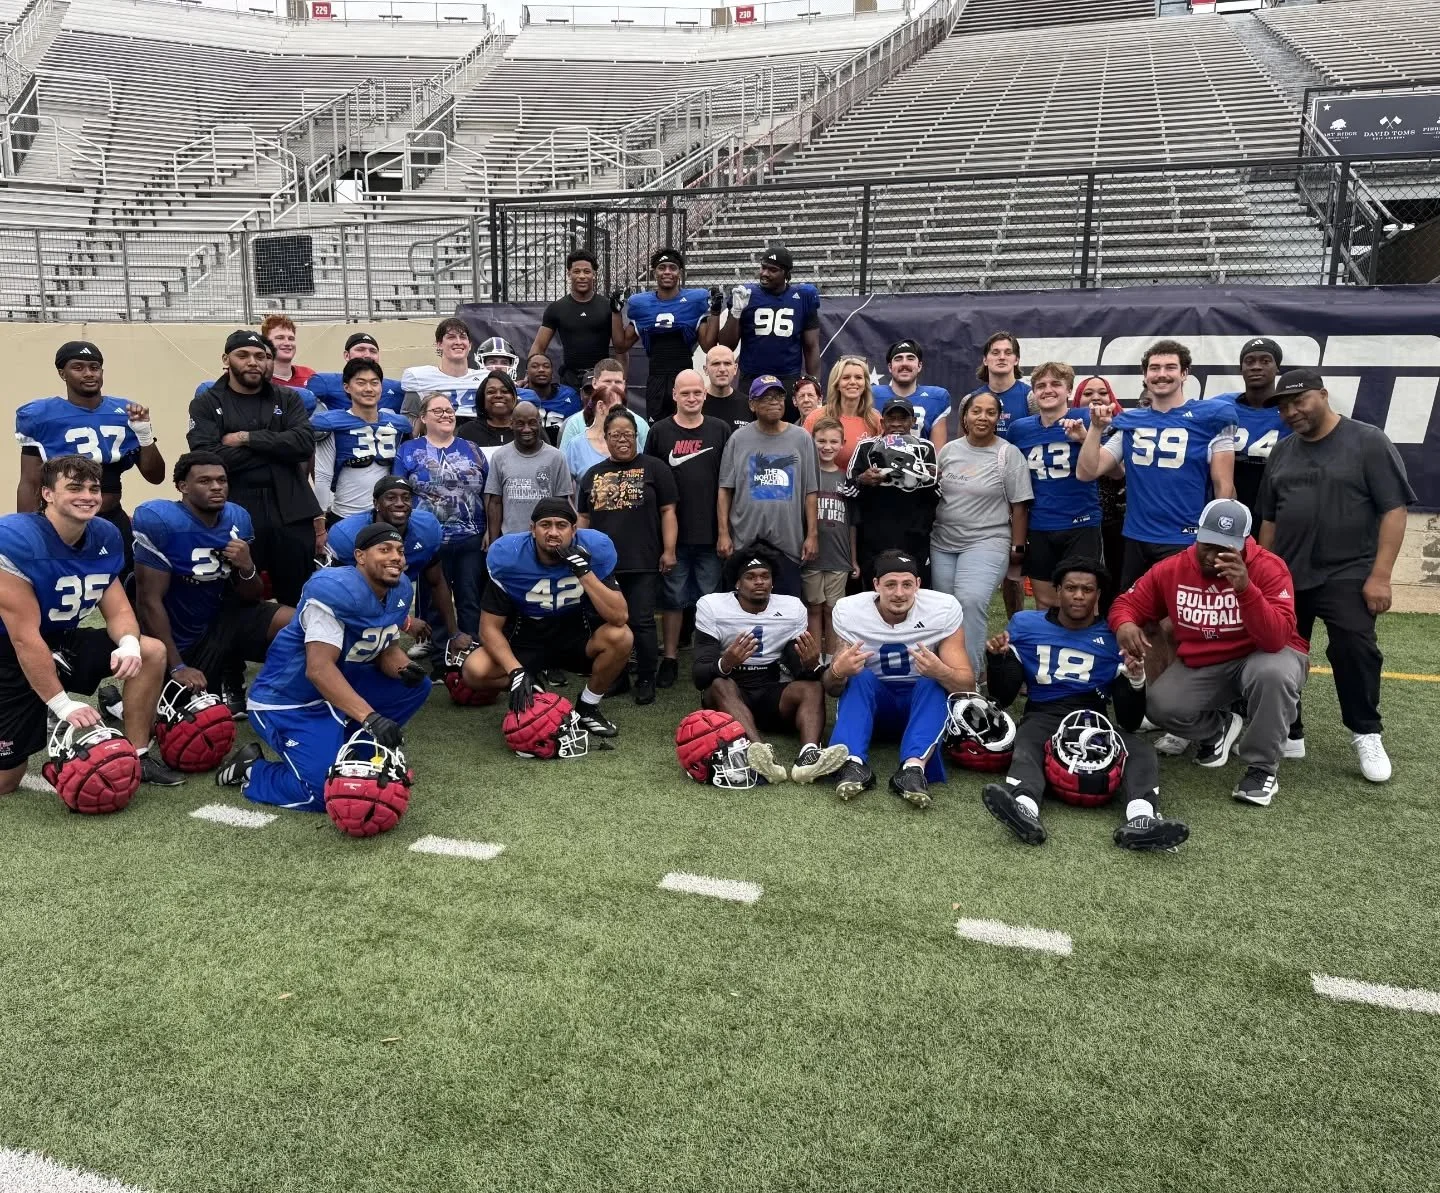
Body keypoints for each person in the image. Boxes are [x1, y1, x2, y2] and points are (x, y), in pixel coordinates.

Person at [1259, 367, 1415, 782]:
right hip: (1287, 574)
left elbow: (1394, 510)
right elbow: (1270, 520)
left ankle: (1366, 731)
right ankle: (1289, 730)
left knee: (1354, 647)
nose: (1291, 411)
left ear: (1324, 395)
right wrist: (1263, 572)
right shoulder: (1282, 451)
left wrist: (1381, 575)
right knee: (1281, 652)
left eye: (1299, 401)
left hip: (1348, 571)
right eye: (1284, 406)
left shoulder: (1368, 441)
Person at [978, 557, 1189, 851]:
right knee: (1027, 742)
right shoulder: (1025, 625)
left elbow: (1129, 720)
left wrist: (1135, 679)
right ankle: (1024, 807)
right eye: (1071, 588)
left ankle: (1142, 818)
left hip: (1094, 718)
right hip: (1043, 713)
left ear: (1098, 594)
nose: (1078, 596)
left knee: (1139, 748)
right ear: (1058, 590)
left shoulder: (1113, 636)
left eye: (1087, 590)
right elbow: (1003, 696)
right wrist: (999, 660)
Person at [0, 455, 182, 793]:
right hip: (8, 650)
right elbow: (24, 639)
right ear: (47, 494)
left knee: (150, 650)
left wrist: (128, 644)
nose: (88, 495)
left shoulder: (104, 534)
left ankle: (137, 753)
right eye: (74, 487)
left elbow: (117, 610)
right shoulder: (15, 538)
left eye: (93, 488)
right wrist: (61, 704)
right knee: (4, 781)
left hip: (58, 639)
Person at [217, 522, 432, 807]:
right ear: (360, 556)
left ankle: (351, 747)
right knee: (324, 793)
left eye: (400, 551)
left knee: (416, 687)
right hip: (290, 701)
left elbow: (385, 647)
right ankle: (253, 769)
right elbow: (318, 669)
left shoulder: (398, 590)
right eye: (385, 549)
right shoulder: (335, 591)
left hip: (338, 686)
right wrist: (370, 717)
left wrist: (403, 668)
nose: (396, 557)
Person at [1110, 498, 1308, 807]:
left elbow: (1275, 639)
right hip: (1206, 659)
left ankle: (1261, 769)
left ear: (1244, 544)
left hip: (1262, 654)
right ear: (1197, 536)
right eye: (1208, 545)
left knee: (1273, 673)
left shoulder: (1268, 567)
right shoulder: (1175, 567)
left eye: (1226, 547)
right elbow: (1127, 603)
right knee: (1161, 705)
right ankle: (1218, 728)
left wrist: (1245, 590)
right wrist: (1124, 625)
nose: (1214, 555)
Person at [132, 452, 293, 714]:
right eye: (205, 481)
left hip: (222, 619)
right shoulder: (161, 520)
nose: (217, 487)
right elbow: (149, 601)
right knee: (196, 725)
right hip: (177, 632)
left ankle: (281, 696)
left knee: (296, 623)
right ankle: (117, 701)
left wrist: (247, 565)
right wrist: (177, 665)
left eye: (222, 480)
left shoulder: (237, 519)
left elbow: (251, 596)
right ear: (183, 487)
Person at [460, 498, 632, 738]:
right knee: (474, 671)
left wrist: (584, 572)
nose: (553, 532)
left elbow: (619, 616)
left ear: (574, 530)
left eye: (561, 525)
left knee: (621, 636)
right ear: (532, 529)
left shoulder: (594, 549)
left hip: (575, 635)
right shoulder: (510, 556)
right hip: (526, 637)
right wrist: (515, 672)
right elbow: (489, 628)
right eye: (545, 525)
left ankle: (588, 706)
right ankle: (531, 681)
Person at [1076, 339, 1236, 591]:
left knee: (1179, 620)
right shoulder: (1131, 421)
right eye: (1154, 367)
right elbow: (1087, 472)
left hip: (1186, 536)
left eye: (1170, 367)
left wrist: (1215, 539)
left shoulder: (1212, 417)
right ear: (1145, 374)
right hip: (1137, 537)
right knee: (1134, 616)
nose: (1162, 374)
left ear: (1184, 373)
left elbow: (1223, 486)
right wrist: (1095, 429)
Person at [823, 549, 973, 807]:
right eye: (890, 584)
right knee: (859, 677)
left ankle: (913, 769)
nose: (899, 593)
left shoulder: (942, 608)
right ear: (876, 585)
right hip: (875, 708)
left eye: (906, 584)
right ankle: (852, 763)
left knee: (932, 682)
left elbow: (967, 685)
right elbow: (832, 687)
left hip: (921, 707)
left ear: (918, 585)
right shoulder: (850, 611)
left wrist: (941, 671)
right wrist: (839, 671)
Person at [187, 329, 321, 607]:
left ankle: (295, 649)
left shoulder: (288, 398)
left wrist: (246, 438)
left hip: (292, 507)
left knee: (298, 596)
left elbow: (305, 444)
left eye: (261, 356)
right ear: (226, 359)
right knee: (234, 592)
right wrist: (277, 448)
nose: (253, 361)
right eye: (243, 355)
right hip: (235, 507)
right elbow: (206, 457)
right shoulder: (207, 403)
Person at [692, 547, 848, 785]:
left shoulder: (791, 608)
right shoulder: (712, 606)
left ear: (773, 582)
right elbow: (699, 676)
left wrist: (810, 665)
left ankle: (809, 755)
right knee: (720, 683)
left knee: (811, 687)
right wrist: (727, 662)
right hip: (730, 694)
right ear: (737, 582)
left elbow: (800, 671)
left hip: (770, 689)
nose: (759, 582)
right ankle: (758, 751)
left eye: (765, 576)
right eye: (751, 577)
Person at [16, 340, 166, 577]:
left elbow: (156, 477)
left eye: (94, 367)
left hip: (112, 518)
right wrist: (27, 530)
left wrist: (144, 434)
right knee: (55, 593)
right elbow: (30, 481)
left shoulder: (124, 412)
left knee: (129, 588)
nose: (88, 373)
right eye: (78, 367)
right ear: (62, 373)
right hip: (61, 521)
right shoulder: (41, 416)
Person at [576, 407, 678, 705]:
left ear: (637, 436)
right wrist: (579, 555)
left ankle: (646, 677)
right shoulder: (592, 474)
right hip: (602, 567)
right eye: (615, 434)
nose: (622, 439)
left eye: (628, 434)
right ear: (605, 438)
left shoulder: (655, 468)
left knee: (642, 621)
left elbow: (668, 511)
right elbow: (583, 517)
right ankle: (616, 677)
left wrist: (669, 550)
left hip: (643, 560)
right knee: (606, 623)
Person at [930, 390, 1033, 682]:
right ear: (965, 416)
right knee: (945, 608)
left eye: (990, 412)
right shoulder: (949, 451)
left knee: (971, 600)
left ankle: (970, 678)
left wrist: (1018, 546)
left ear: (998, 418)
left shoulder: (1007, 454)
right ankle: (943, 673)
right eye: (977, 411)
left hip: (987, 540)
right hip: (943, 542)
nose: (983, 417)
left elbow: (1020, 505)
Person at [645, 369, 731, 688]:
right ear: (675, 396)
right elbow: (650, 482)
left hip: (710, 533)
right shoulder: (660, 432)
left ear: (704, 394)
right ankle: (669, 658)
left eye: (697, 392)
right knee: (673, 598)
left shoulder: (720, 430)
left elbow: (728, 483)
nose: (692, 398)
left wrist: (724, 531)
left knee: (708, 599)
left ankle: (706, 660)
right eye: (686, 393)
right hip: (673, 536)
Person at [327, 477, 468, 657]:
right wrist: (404, 621)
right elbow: (345, 594)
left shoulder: (427, 529)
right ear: (376, 503)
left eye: (406, 498)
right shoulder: (347, 535)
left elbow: (437, 582)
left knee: (413, 681)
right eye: (391, 498)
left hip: (391, 598)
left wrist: (454, 633)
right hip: (352, 607)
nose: (400, 503)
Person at [394, 394, 489, 643]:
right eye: (438, 410)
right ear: (423, 417)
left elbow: (489, 492)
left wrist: (490, 530)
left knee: (470, 596)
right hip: (429, 540)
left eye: (449, 410)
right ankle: (436, 649)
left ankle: (472, 646)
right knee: (432, 600)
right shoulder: (408, 450)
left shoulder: (472, 449)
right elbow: (399, 494)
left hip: (471, 536)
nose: (446, 414)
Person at [717, 376, 820, 600]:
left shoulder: (801, 438)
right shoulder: (738, 439)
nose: (774, 402)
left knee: (786, 611)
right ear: (752, 404)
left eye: (778, 396)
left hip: (788, 543)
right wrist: (724, 534)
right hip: (745, 540)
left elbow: (811, 491)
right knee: (742, 611)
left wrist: (812, 534)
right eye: (766, 398)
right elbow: (725, 489)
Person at [1009, 362, 1101, 610]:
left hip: (1081, 522)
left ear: (1069, 390)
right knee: (1046, 601)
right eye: (1041, 385)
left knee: (1082, 602)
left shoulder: (1085, 418)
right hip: (1040, 525)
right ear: (1034, 392)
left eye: (1055, 384)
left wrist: (1085, 437)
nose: (1048, 390)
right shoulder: (1020, 429)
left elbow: (1111, 467)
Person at [611, 248, 719, 423]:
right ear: (654, 272)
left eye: (672, 267)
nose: (667, 272)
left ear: (680, 273)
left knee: (688, 425)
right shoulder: (641, 304)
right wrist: (616, 313)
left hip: (685, 375)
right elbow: (620, 345)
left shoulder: (694, 300)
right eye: (662, 267)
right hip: (656, 377)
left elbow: (708, 346)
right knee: (657, 429)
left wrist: (714, 313)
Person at [845, 395, 939, 585]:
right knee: (874, 592)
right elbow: (848, 491)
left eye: (903, 418)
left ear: (913, 421)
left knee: (915, 590)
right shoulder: (867, 447)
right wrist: (864, 479)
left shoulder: (925, 447)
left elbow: (937, 496)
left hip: (914, 535)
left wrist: (930, 479)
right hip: (873, 535)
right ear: (882, 421)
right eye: (891, 418)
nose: (896, 424)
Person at [312, 359, 412, 522]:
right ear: (347, 387)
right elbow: (323, 475)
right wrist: (320, 520)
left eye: (374, 383)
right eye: (361, 383)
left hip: (388, 517)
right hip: (345, 515)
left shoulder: (399, 424)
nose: (368, 389)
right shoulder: (331, 423)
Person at [717, 245, 821, 398]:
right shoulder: (746, 295)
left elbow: (811, 346)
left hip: (787, 377)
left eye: (772, 270)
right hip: (751, 377)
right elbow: (727, 345)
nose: (765, 273)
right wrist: (736, 312)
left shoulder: (804, 296)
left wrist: (814, 383)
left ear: (786, 273)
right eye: (763, 267)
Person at [1213, 337, 1290, 522]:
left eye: (1265, 361)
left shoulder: (1291, 411)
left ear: (1277, 367)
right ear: (1241, 368)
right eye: (1249, 361)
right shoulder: (1219, 406)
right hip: (1228, 507)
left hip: (1276, 509)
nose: (1256, 366)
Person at [1073, 376, 1127, 612]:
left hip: (1116, 518)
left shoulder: (1122, 427)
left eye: (1102, 392)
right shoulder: (1067, 425)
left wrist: (1089, 438)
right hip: (1077, 518)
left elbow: (1119, 472)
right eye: (1088, 393)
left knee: (1115, 582)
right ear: (1077, 400)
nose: (1096, 397)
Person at [485, 400, 574, 539]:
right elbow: (495, 503)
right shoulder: (500, 457)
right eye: (520, 423)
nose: (526, 429)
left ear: (540, 423)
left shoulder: (557, 457)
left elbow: (561, 503)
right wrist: (494, 543)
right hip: (511, 539)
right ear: (511, 424)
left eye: (532, 423)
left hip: (546, 540)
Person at [805, 417, 856, 657]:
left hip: (838, 556)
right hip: (812, 556)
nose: (827, 446)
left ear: (842, 443)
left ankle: (833, 657)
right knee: (814, 607)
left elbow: (852, 524)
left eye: (833, 441)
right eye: (821, 441)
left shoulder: (846, 479)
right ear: (811, 441)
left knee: (833, 609)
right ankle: (814, 656)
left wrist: (853, 559)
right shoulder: (807, 475)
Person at [530, 248, 614, 389]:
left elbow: (620, 348)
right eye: (576, 271)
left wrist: (621, 377)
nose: (582, 276)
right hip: (570, 380)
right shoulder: (556, 308)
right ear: (568, 273)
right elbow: (539, 346)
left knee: (602, 412)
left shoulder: (607, 306)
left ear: (594, 274)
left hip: (602, 378)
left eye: (587, 271)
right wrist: (530, 373)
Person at [932, 331, 1030, 449]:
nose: (1002, 357)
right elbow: (962, 448)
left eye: (1008, 353)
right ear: (985, 360)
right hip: (981, 467)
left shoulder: (1030, 397)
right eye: (995, 353)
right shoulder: (969, 401)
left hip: (1020, 465)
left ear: (1016, 360)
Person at [560, 359, 650, 477]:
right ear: (594, 383)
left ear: (624, 384)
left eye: (617, 382)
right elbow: (564, 473)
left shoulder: (640, 423)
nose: (612, 386)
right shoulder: (574, 423)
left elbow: (649, 465)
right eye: (607, 381)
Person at [400, 318, 486, 424]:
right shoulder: (418, 377)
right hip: (437, 435)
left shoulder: (485, 378)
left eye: (463, 337)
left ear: (470, 345)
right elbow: (410, 423)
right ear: (439, 344)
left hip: (478, 436)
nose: (458, 342)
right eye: (451, 337)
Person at [803, 355, 882, 472]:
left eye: (858, 377)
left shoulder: (875, 419)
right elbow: (802, 457)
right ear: (837, 384)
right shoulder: (816, 417)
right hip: (824, 487)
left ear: (865, 384)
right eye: (846, 377)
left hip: (862, 488)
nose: (853, 382)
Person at [307, 332, 405, 413]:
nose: (367, 355)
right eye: (360, 349)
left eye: (373, 351)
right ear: (346, 355)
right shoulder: (323, 382)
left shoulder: (398, 388)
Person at [872, 339, 950, 438]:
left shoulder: (937, 397)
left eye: (910, 358)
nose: (904, 363)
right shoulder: (872, 395)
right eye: (898, 359)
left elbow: (937, 452)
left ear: (919, 366)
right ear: (890, 367)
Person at [523, 351, 582, 445]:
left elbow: (578, 432)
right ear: (526, 374)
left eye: (546, 366)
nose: (541, 370)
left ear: (552, 373)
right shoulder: (518, 396)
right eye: (535, 366)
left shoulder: (570, 396)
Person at [458, 371, 520, 455]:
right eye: (491, 392)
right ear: (482, 398)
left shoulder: (529, 429)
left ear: (514, 397)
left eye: (505, 391)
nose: (498, 395)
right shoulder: (468, 432)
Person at [702, 344, 753, 432]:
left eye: (727, 363)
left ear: (735, 369)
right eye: (716, 363)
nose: (722, 369)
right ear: (706, 369)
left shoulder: (748, 405)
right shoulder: (696, 403)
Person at [260, 314, 315, 390]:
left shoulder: (309, 375)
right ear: (265, 342)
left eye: (291, 338)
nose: (287, 343)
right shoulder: (259, 380)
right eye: (280, 338)